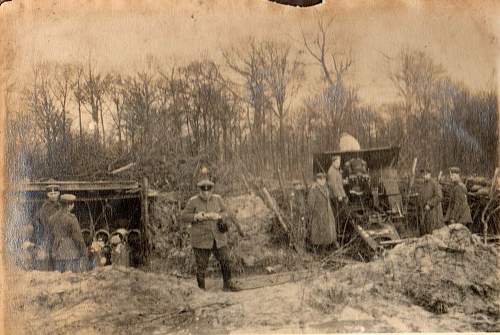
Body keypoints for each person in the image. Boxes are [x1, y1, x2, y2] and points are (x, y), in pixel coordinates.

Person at [181, 177, 244, 292]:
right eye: (203, 191)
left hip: (218, 238)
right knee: (201, 266)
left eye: (208, 191)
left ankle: (228, 284)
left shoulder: (217, 199)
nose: (206, 193)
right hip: (201, 240)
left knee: (225, 260)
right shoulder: (193, 201)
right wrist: (196, 217)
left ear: (212, 190)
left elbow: (227, 212)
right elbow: (183, 216)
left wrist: (219, 216)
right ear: (199, 190)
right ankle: (201, 290)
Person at [50, 194, 87, 272]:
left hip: (57, 250)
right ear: (69, 205)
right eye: (72, 203)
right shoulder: (71, 218)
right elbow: (77, 237)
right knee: (71, 278)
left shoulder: (52, 218)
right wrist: (84, 250)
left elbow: (50, 233)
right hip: (70, 252)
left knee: (58, 278)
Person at [306, 172, 338, 253]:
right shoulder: (313, 190)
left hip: (327, 213)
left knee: (328, 231)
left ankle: (327, 247)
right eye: (321, 179)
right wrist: (316, 213)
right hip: (318, 214)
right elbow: (310, 204)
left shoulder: (326, 189)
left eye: (324, 179)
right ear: (317, 180)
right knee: (319, 233)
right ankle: (319, 249)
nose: (323, 181)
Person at [33, 184, 61, 270]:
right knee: (52, 254)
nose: (53, 195)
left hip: (57, 234)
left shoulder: (59, 205)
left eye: (55, 193)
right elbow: (36, 219)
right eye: (51, 194)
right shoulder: (45, 207)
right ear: (47, 195)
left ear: (59, 193)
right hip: (50, 234)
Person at [419, 167, 444, 236]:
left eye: (426, 174)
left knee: (434, 232)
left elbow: (439, 196)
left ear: (430, 174)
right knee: (426, 231)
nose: (424, 176)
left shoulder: (434, 183)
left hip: (434, 212)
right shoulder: (423, 184)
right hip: (426, 212)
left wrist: (429, 204)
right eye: (423, 174)